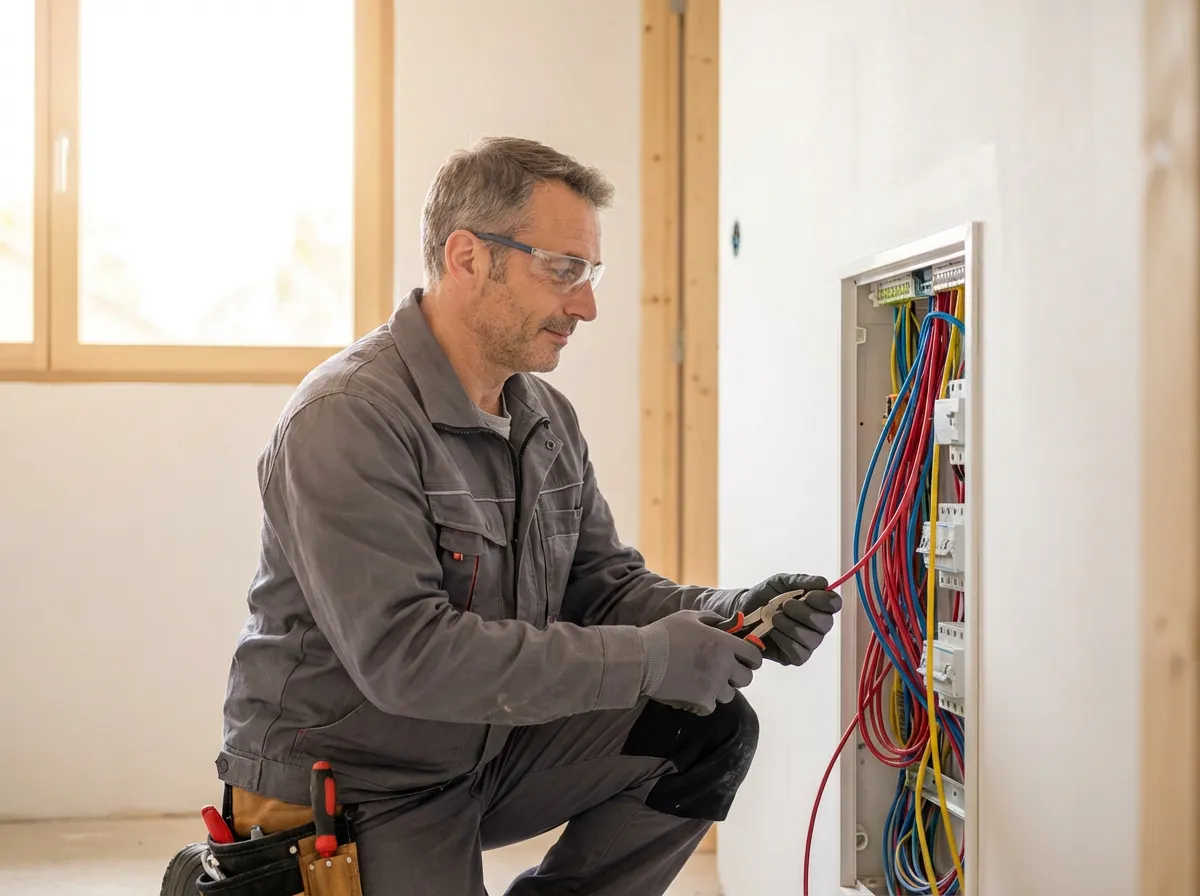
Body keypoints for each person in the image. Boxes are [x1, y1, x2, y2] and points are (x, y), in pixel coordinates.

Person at [214, 135, 843, 894]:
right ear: (467, 257)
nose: (586, 304)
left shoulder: (543, 416)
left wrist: (726, 612)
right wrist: (652, 657)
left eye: (590, 272)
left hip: (482, 756)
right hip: (351, 788)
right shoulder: (348, 418)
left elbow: (601, 587)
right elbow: (409, 659)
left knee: (704, 731)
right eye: (564, 270)